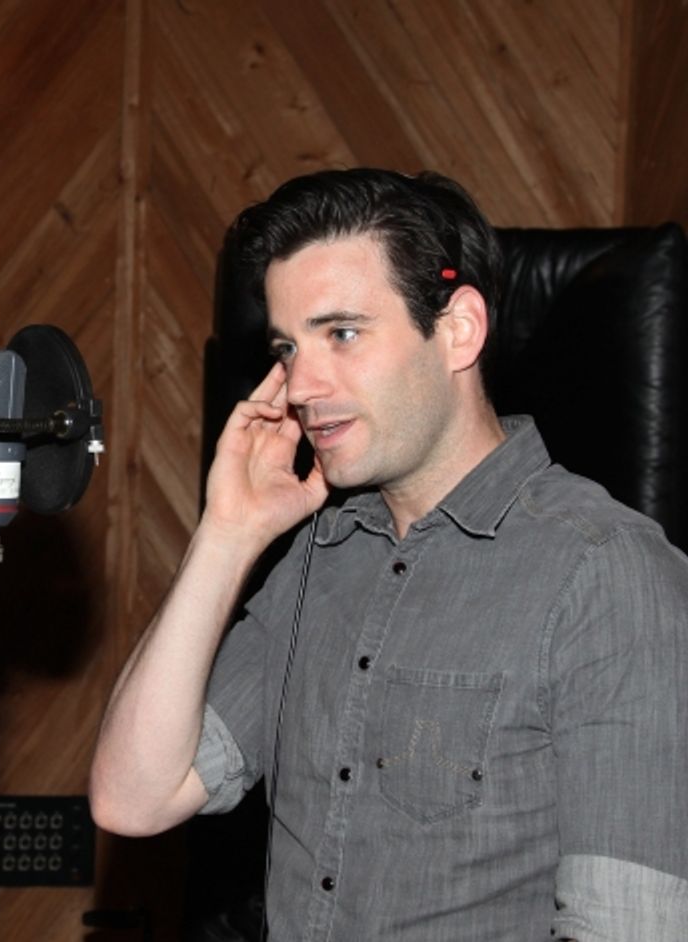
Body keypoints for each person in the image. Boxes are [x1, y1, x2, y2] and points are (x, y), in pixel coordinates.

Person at [89, 168, 688, 940]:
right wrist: (227, 533)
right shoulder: (318, 558)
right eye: (287, 347)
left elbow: (632, 927)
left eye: (341, 333)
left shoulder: (607, 573)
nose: (300, 386)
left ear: (459, 330)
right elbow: (134, 798)